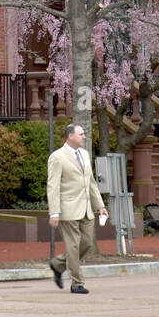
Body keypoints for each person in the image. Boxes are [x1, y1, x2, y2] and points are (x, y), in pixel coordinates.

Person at [47, 123, 107, 294]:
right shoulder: (57, 157)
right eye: (81, 134)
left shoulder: (85, 154)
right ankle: (77, 283)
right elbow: (53, 186)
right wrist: (54, 212)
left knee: (87, 243)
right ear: (70, 136)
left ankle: (57, 264)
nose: (84, 137)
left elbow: (91, 183)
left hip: (87, 208)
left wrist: (100, 206)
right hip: (68, 209)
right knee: (73, 246)